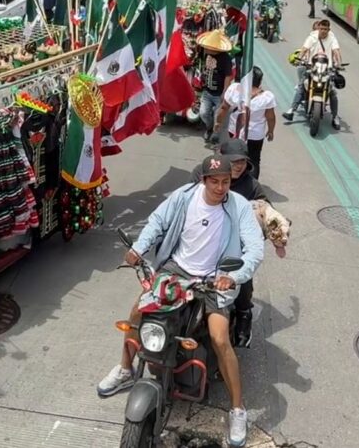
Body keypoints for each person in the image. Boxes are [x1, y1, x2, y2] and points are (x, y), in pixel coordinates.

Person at [97, 154, 264, 447]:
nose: (221, 187)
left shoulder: (238, 206)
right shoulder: (184, 196)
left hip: (215, 278)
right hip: (177, 269)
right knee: (138, 312)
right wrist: (138, 248)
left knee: (220, 338)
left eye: (226, 181)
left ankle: (238, 409)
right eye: (215, 182)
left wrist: (235, 276)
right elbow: (157, 222)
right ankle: (125, 368)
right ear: (203, 179)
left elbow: (254, 249)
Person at [190, 140, 272, 348]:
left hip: (234, 244)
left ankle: (244, 314)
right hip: (202, 237)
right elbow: (186, 200)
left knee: (241, 277)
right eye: (233, 161)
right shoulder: (201, 173)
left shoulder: (252, 186)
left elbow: (266, 211)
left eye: (242, 162)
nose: (238, 166)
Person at [215, 67, 276, 177]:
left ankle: (232, 179)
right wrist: (271, 131)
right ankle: (252, 185)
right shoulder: (267, 97)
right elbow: (270, 117)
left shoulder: (234, 89)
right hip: (255, 135)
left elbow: (224, 108)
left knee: (233, 156)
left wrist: (218, 122)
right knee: (254, 159)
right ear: (260, 81)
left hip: (235, 131)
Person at [283, 19, 342, 128]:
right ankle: (291, 110)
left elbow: (336, 51)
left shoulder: (332, 38)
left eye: (326, 29)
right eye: (321, 29)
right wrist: (299, 58)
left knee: (332, 92)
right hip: (311, 68)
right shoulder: (312, 37)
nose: (323, 31)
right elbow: (304, 48)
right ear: (318, 28)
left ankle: (335, 117)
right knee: (301, 86)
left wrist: (339, 63)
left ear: (329, 29)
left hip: (326, 70)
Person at [197, 29, 234, 143]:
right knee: (203, 113)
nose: (207, 49)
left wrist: (225, 92)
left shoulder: (225, 59)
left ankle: (215, 133)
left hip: (219, 94)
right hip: (207, 91)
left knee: (218, 116)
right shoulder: (205, 54)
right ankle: (209, 128)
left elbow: (228, 76)